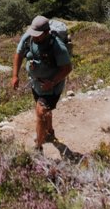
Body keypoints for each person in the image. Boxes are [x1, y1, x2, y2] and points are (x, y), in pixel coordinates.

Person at [12, 14, 72, 151]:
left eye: (38, 35)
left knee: (40, 113)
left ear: (46, 33)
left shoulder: (57, 46)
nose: (34, 37)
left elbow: (67, 68)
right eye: (33, 33)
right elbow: (19, 54)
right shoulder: (28, 37)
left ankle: (38, 146)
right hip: (36, 84)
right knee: (44, 110)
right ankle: (49, 131)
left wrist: (52, 82)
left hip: (51, 87)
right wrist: (15, 75)